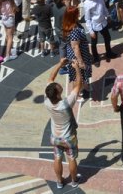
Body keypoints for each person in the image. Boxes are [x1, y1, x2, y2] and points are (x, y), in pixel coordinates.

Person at [45, 57, 86, 188]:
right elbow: (79, 84)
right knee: (72, 158)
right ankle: (74, 181)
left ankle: (59, 181)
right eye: (58, 87)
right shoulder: (66, 104)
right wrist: (77, 69)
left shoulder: (47, 100)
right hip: (69, 137)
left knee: (57, 158)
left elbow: (50, 78)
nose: (58, 84)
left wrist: (60, 64)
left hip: (55, 137)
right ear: (57, 94)